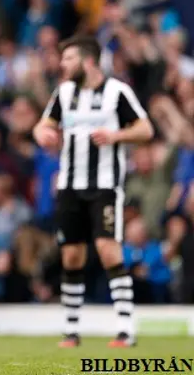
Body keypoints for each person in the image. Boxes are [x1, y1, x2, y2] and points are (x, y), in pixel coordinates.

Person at [33, 35, 154, 348]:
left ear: (89, 61)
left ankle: (126, 329)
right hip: (70, 186)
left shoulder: (117, 92)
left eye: (69, 59)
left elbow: (145, 129)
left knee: (107, 249)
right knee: (71, 255)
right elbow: (42, 125)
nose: (63, 65)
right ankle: (71, 331)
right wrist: (43, 133)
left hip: (104, 186)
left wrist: (115, 135)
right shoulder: (64, 92)